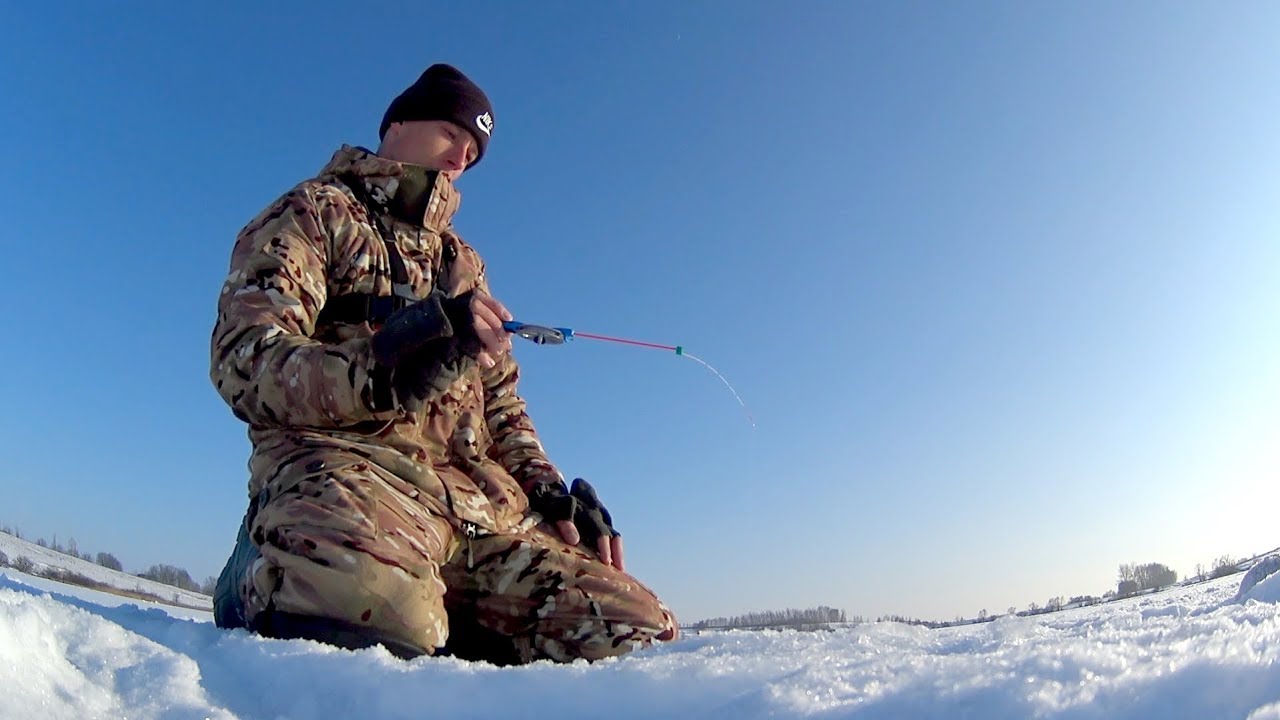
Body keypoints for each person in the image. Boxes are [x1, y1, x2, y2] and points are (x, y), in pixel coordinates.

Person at [209, 63, 678, 663]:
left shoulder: (464, 267)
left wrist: (549, 493)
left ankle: (438, 609)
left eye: (475, 150)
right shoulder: (314, 214)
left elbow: (503, 406)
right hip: (353, 474)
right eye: (452, 132)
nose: (463, 155)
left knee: (637, 627)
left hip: (477, 511)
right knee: (371, 599)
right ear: (398, 124)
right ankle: (261, 566)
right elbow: (243, 360)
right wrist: (383, 367)